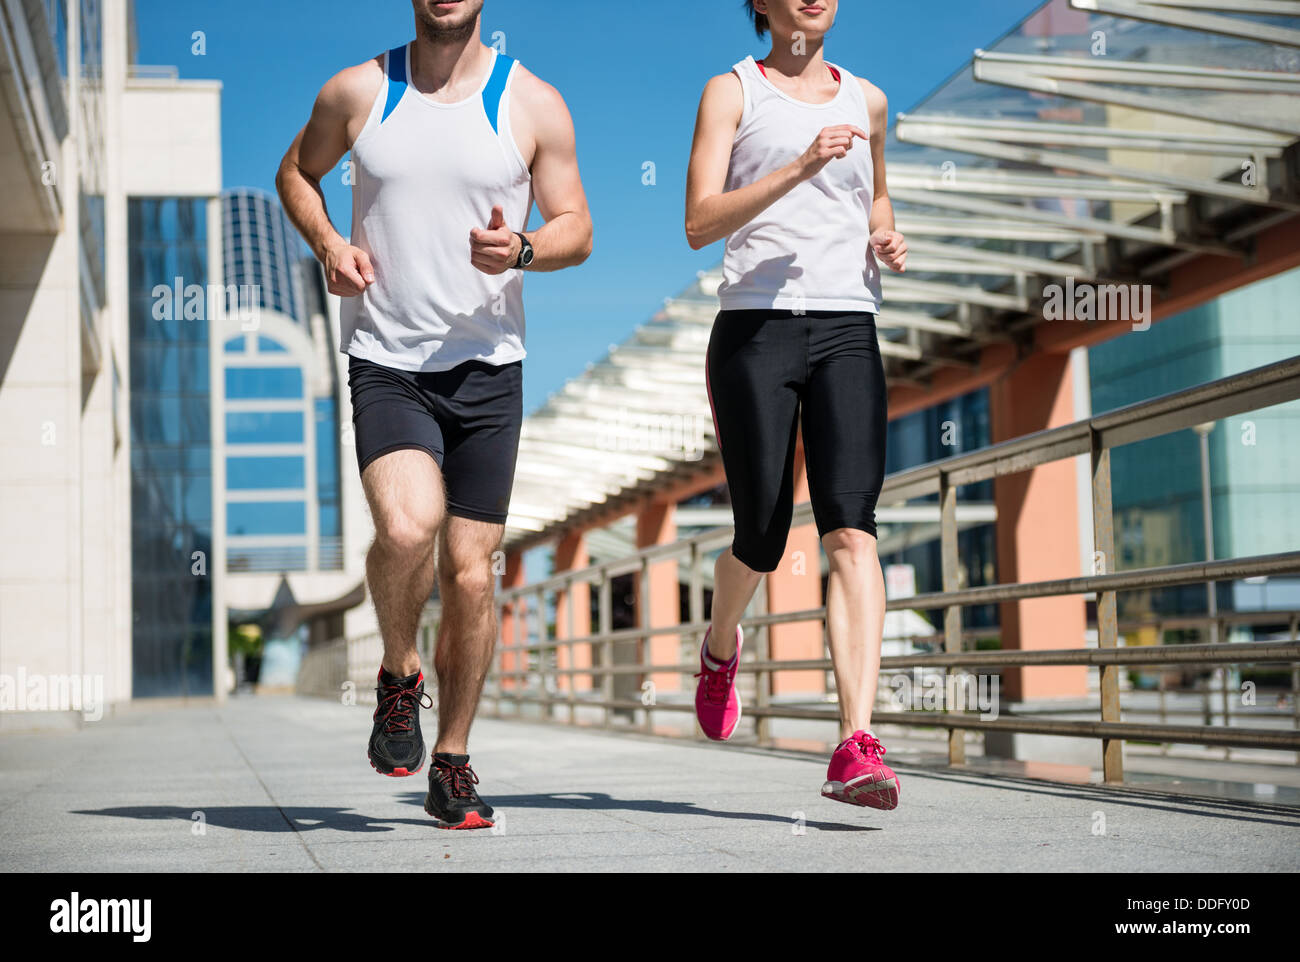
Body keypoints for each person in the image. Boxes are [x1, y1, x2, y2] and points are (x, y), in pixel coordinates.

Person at [276, 0, 592, 829]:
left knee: (470, 572)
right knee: (410, 530)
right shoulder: (360, 91)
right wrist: (329, 246)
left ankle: (450, 760)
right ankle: (399, 670)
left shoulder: (532, 103)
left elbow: (578, 227)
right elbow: (295, 174)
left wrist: (523, 247)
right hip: (389, 359)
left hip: (489, 370)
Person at [684, 0, 907, 810]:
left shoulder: (869, 101)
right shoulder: (732, 92)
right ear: (761, 6)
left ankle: (856, 742)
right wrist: (801, 165)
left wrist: (886, 234)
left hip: (849, 324)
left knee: (851, 526)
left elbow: (875, 199)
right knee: (765, 535)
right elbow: (698, 222)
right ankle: (719, 646)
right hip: (755, 328)